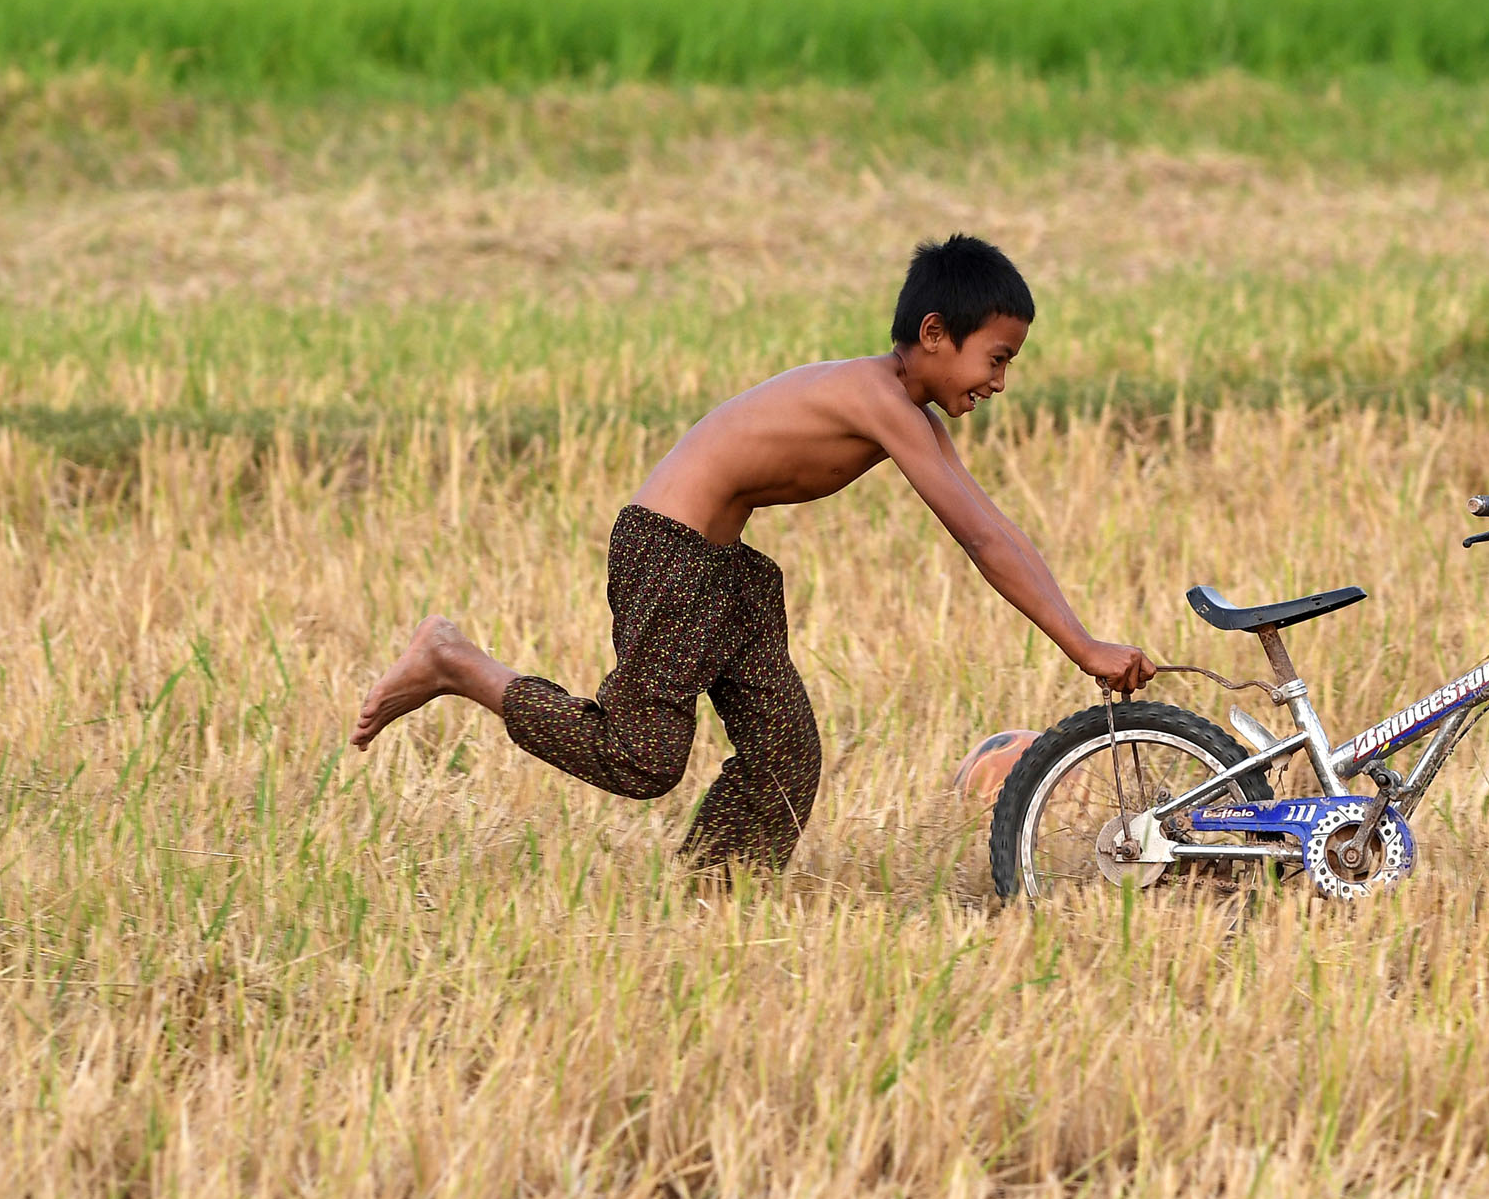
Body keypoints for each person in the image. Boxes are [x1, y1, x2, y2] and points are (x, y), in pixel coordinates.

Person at [353, 235, 1156, 876]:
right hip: (669, 555)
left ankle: (716, 894)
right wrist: (1080, 644)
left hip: (725, 569)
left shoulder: (911, 413)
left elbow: (996, 527)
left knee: (784, 753)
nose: (1001, 381)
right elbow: (980, 538)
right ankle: (458, 663)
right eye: (998, 357)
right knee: (641, 758)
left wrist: (1081, 633)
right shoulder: (880, 399)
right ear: (935, 334)